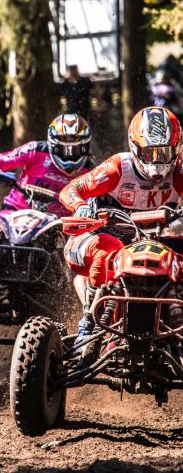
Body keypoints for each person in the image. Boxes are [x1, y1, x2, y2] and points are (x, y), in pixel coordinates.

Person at [59, 106, 182, 347]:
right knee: (108, 248)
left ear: (176, 149)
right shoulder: (117, 168)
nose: (157, 161)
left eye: (164, 152)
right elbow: (72, 189)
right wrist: (81, 207)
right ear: (135, 148)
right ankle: (88, 325)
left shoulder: (179, 171)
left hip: (149, 244)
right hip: (97, 238)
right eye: (149, 153)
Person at [0, 113, 94, 219]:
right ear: (53, 146)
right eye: (63, 149)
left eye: (75, 149)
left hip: (58, 226)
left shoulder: (91, 173)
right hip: (16, 212)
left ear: (85, 147)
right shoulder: (36, 149)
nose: (69, 155)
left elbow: (98, 196)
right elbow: (5, 159)